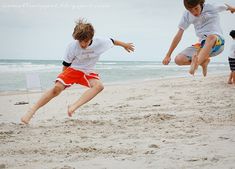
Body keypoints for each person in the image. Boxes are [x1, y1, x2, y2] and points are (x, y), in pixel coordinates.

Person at [21, 19, 134, 124]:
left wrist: (125, 45)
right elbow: (66, 65)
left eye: (85, 41)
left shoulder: (100, 42)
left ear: (91, 38)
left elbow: (113, 41)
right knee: (56, 89)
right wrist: (61, 81)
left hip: (88, 72)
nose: (83, 44)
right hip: (73, 70)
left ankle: (73, 106)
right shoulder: (72, 47)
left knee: (99, 86)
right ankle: (31, 111)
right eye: (80, 41)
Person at [162, 0, 235, 76]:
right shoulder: (187, 15)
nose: (194, 13)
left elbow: (226, 6)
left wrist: (232, 9)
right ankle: (203, 62)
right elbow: (179, 34)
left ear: (201, 3)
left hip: (218, 43)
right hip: (203, 45)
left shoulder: (211, 6)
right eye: (191, 10)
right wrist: (168, 55)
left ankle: (196, 65)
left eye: (196, 8)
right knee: (178, 59)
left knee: (211, 37)